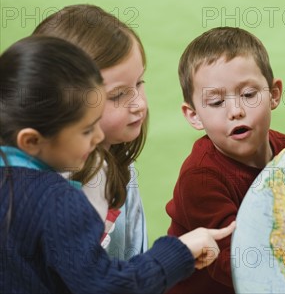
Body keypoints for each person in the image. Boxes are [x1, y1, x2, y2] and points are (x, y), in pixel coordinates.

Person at [0, 35, 235, 293]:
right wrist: (180, 252)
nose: (98, 137)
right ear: (31, 140)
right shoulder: (57, 201)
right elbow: (110, 287)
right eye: (87, 130)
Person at [165, 27, 285, 294]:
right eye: (215, 102)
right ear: (194, 115)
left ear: (273, 94)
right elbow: (235, 262)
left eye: (248, 95)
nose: (236, 111)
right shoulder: (201, 177)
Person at [33, 4, 149, 259]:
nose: (139, 104)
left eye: (139, 83)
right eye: (118, 95)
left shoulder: (122, 168)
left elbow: (135, 255)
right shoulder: (43, 190)